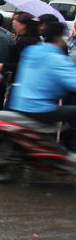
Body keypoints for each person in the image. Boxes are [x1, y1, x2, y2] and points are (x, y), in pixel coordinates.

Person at [8, 19, 76, 155]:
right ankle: (70, 149)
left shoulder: (32, 50)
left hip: (19, 103)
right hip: (40, 108)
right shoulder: (56, 58)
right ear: (58, 37)